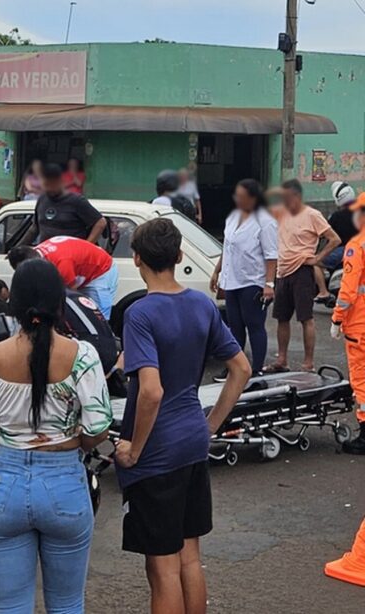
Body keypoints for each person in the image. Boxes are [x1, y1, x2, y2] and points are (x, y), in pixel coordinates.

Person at [114, 218, 251, 614]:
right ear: (178, 257)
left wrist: (133, 449)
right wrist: (210, 425)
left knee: (162, 567)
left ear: (136, 258)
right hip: (192, 439)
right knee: (189, 554)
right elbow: (240, 368)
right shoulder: (201, 304)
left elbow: (151, 391)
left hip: (157, 451)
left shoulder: (139, 314)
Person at [0, 258, 111, 613]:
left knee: (11, 606)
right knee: (66, 604)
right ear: (60, 303)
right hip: (65, 484)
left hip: (7, 486)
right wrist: (73, 438)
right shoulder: (83, 356)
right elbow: (98, 429)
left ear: (13, 304)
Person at [267, 179, 341, 372]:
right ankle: (281, 359)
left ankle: (308, 362)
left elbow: (334, 239)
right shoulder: (281, 214)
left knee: (305, 318)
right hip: (283, 271)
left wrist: (317, 258)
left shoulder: (312, 215)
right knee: (282, 317)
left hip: (302, 271)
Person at [210, 179, 277, 381]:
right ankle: (235, 368)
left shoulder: (265, 221)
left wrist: (269, 284)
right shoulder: (233, 217)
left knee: (254, 325)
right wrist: (217, 271)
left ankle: (256, 370)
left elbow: (272, 255)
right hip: (232, 281)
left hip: (252, 281)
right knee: (234, 327)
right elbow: (227, 248)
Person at [8, 235, 119, 319]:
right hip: (79, 266)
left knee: (97, 316)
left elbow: (72, 294)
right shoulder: (36, 253)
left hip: (101, 270)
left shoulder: (62, 264)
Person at [331, 192, 365, 455]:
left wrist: (336, 319)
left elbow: (348, 291)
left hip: (359, 325)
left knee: (361, 379)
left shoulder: (357, 245)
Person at [21, 163, 106, 244]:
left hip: (70, 256)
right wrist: (18, 247)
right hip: (46, 254)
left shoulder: (77, 201)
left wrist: (86, 246)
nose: (49, 188)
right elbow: (35, 228)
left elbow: (100, 223)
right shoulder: (42, 199)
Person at [314, 181, 358, 303]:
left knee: (314, 262)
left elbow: (324, 232)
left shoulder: (336, 216)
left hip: (342, 251)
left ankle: (323, 292)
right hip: (359, 250)